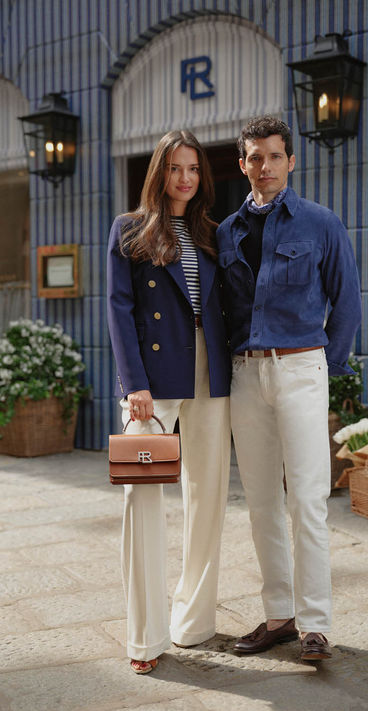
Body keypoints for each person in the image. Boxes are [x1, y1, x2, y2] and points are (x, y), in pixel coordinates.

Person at [216, 116, 361, 662]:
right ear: (243, 164)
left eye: (276, 156)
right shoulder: (226, 231)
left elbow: (345, 301)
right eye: (256, 157)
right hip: (246, 375)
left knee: (307, 500)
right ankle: (280, 615)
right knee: (259, 503)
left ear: (291, 161)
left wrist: (331, 365)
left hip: (301, 368)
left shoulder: (321, 223)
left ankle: (316, 626)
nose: (266, 166)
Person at [107, 130, 231, 674]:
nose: (185, 178)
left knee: (208, 496)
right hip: (154, 383)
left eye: (194, 169)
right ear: (158, 172)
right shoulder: (129, 230)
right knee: (142, 497)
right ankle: (144, 636)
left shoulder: (210, 232)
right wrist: (133, 382)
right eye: (176, 168)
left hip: (209, 369)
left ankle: (192, 620)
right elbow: (118, 309)